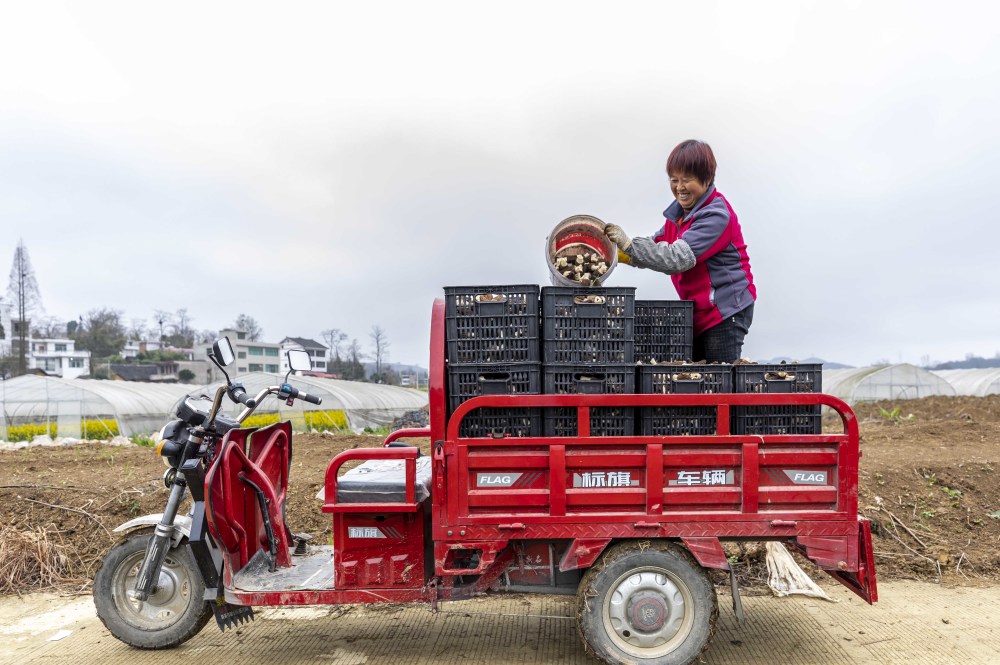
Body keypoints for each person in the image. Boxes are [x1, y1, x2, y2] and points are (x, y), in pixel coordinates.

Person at [604, 140, 756, 363]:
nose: (679, 187)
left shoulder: (716, 216)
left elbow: (676, 258)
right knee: (695, 379)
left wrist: (630, 245)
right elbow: (656, 244)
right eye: (674, 180)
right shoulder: (680, 216)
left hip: (724, 310)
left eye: (687, 180)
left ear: (707, 179)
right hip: (697, 311)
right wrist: (617, 253)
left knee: (718, 381)